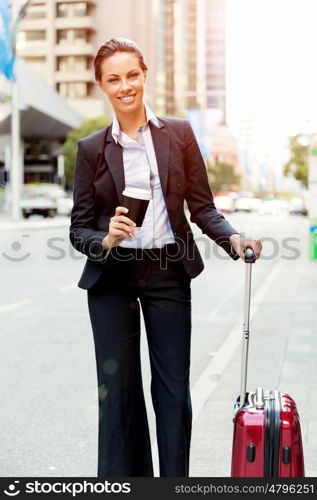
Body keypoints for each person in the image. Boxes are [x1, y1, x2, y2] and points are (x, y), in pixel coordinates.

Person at [69, 37, 262, 477]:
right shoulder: (91, 149)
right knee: (117, 393)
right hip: (112, 278)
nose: (125, 86)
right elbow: (79, 228)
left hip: (167, 270)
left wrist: (233, 238)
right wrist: (106, 238)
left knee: (173, 391)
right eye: (113, 79)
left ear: (144, 75)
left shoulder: (178, 134)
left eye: (132, 75)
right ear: (102, 86)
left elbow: (203, 206)